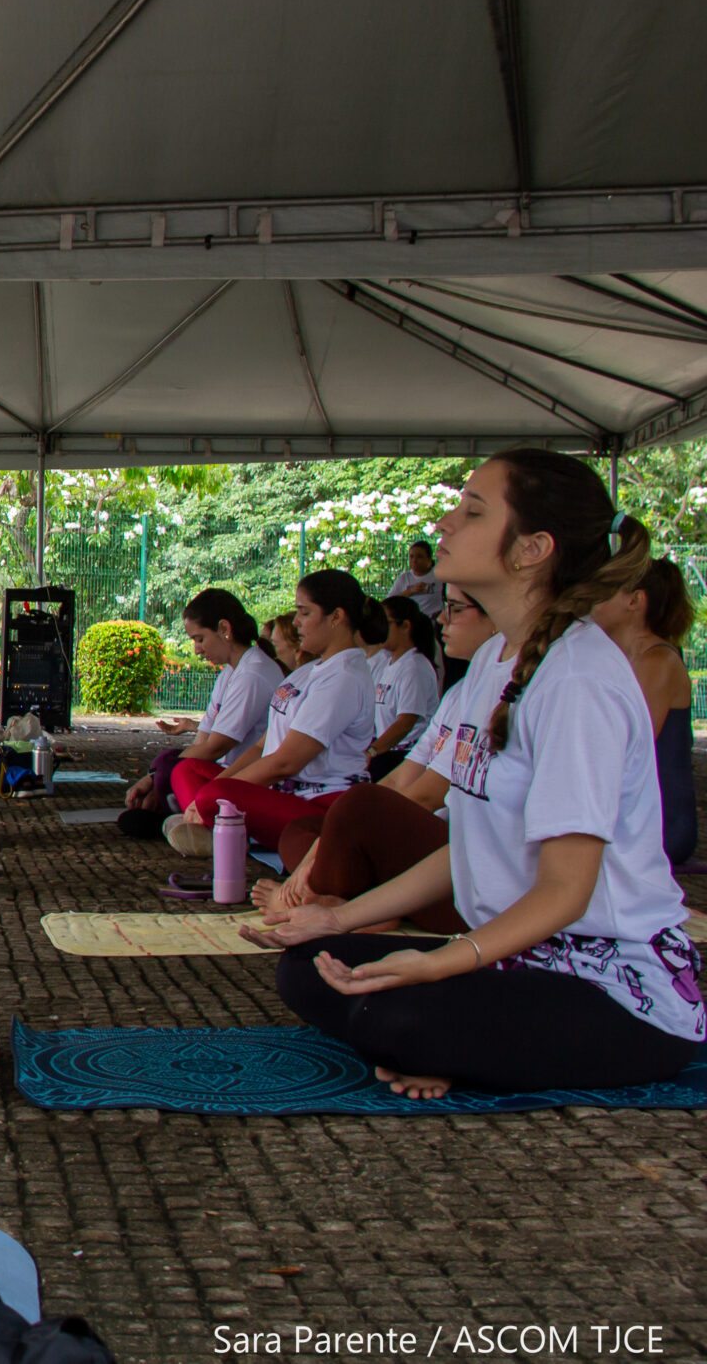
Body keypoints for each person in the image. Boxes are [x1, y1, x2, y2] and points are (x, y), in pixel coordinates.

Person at [246, 448, 701, 1099]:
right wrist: (337, 921)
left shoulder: (576, 679)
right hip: (522, 961)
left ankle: (448, 1039)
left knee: (399, 1016)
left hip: (614, 992)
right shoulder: (495, 661)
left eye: (472, 510)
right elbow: (470, 849)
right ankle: (455, 1036)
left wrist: (441, 963)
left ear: (532, 549)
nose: (447, 521)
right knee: (309, 967)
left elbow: (566, 893)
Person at [250, 592, 498, 935]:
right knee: (303, 831)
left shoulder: (483, 685)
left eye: (455, 609)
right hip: (434, 842)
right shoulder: (461, 691)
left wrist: (330, 838)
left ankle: (338, 899)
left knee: (356, 806)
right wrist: (326, 838)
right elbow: (401, 781)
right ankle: (346, 899)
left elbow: (426, 793)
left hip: (466, 865)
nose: (441, 619)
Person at [170, 570, 378, 853]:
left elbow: (285, 764)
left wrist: (214, 795)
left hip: (317, 803)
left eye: (304, 613)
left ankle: (211, 826)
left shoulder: (344, 677)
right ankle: (211, 824)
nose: (296, 622)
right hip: (278, 792)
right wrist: (215, 790)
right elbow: (261, 745)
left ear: (336, 617)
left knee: (215, 794)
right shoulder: (308, 672)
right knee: (186, 770)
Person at [122, 588, 284, 827]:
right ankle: (181, 812)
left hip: (243, 776)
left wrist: (156, 776)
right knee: (170, 763)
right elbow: (202, 741)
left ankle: (202, 823)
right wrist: (158, 775)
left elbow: (214, 749)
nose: (197, 650)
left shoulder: (253, 673)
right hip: (222, 772)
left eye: (200, 639)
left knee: (174, 769)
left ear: (225, 630)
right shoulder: (230, 672)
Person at [594, 557, 696, 865]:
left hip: (660, 822)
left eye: (605, 589)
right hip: (629, 814)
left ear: (635, 601)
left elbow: (626, 749)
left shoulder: (658, 662)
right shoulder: (615, 659)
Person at [363, 595, 442, 781]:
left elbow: (405, 722)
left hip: (405, 754)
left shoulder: (414, 667)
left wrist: (372, 751)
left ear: (405, 626)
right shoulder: (389, 663)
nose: (378, 629)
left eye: (385, 623)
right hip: (387, 750)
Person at [387, 540, 446, 617]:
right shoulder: (404, 578)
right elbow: (389, 603)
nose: (414, 560)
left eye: (419, 557)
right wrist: (410, 591)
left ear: (429, 559)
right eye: (411, 556)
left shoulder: (439, 576)